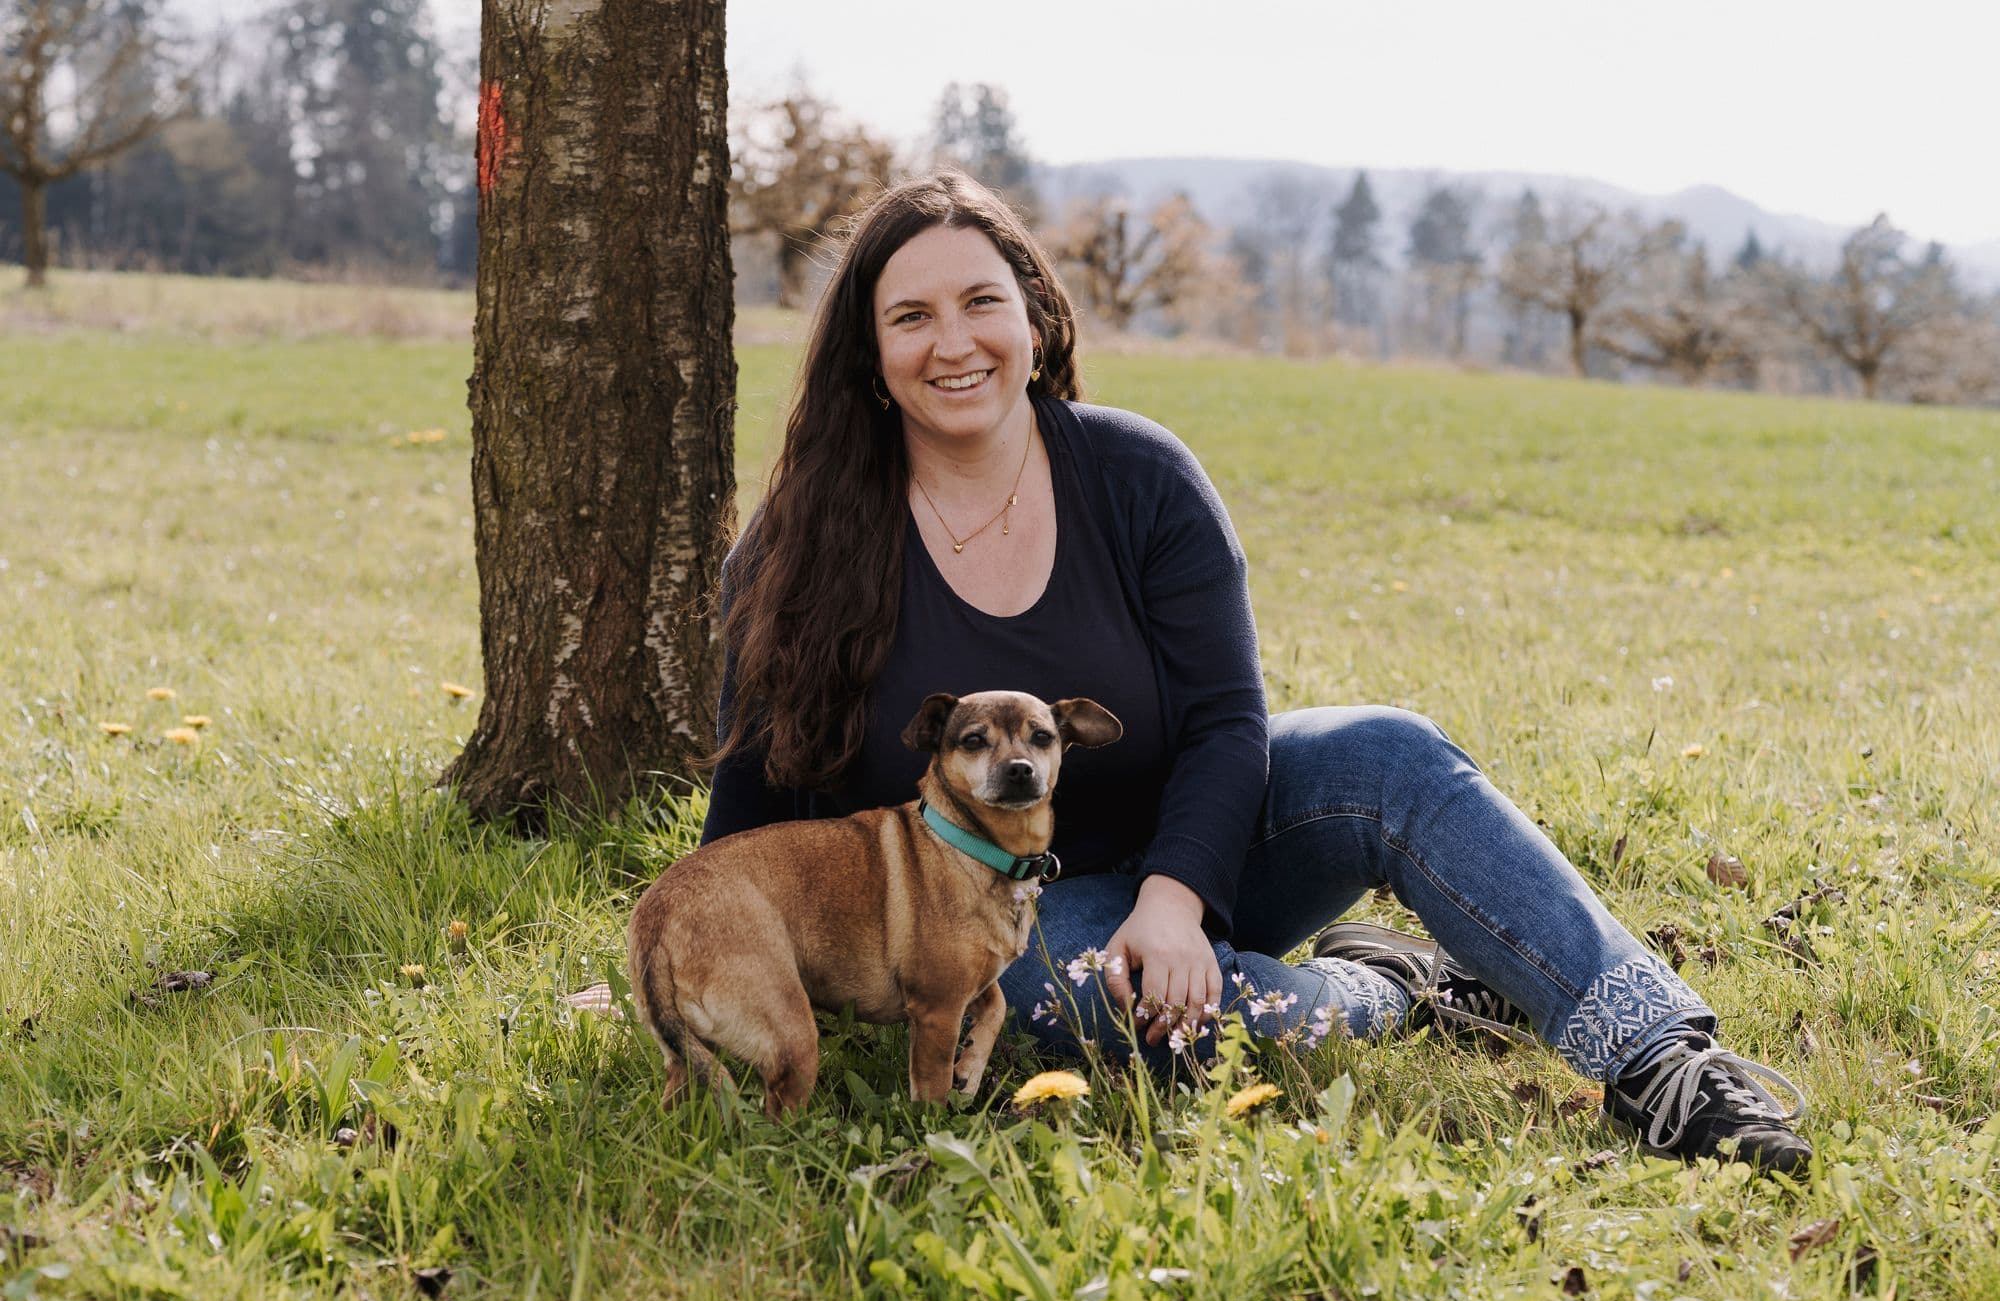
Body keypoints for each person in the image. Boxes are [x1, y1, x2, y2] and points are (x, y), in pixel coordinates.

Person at [701, 170, 1810, 1174]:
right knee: (1044, 994)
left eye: (981, 303)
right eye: (911, 316)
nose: (954, 343)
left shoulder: (1138, 476)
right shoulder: (804, 543)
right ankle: (1391, 988)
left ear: (1033, 319)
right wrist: (710, 952)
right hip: (1008, 914)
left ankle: (1658, 1058)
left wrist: (1176, 900)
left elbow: (1231, 721)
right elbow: (751, 790)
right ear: (869, 352)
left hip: (1206, 840)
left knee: (1389, 751)